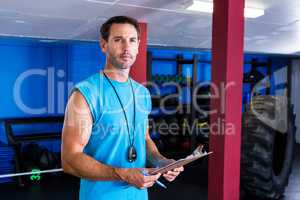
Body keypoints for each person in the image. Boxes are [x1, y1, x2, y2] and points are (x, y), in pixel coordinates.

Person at [61, 16, 183, 200]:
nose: (126, 47)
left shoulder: (142, 93)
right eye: (118, 40)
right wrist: (121, 173)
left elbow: (144, 138)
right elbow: (70, 160)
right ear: (104, 45)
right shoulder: (86, 94)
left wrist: (161, 161)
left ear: (138, 45)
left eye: (132, 40)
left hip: (138, 195)